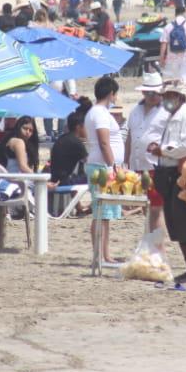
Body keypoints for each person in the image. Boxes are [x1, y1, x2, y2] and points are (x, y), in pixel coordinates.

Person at [148, 81, 186, 283]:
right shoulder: (173, 116)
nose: (166, 99)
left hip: (181, 174)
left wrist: (163, 150)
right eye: (165, 96)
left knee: (185, 221)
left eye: (170, 96)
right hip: (168, 173)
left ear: (180, 97)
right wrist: (160, 148)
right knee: (175, 222)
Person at [84, 75, 125, 265]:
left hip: (100, 165)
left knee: (105, 213)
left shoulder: (96, 112)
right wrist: (112, 166)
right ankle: (99, 255)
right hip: (102, 167)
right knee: (101, 212)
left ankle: (104, 254)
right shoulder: (100, 113)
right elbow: (103, 142)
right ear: (111, 94)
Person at [123, 73, 166, 231]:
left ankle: (155, 239)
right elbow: (130, 136)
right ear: (143, 92)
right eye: (149, 92)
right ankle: (150, 236)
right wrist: (126, 160)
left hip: (156, 166)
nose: (153, 96)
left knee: (156, 206)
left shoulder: (166, 112)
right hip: (137, 164)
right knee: (144, 206)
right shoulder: (135, 110)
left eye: (155, 92)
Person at [159, 5, 186, 84]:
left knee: (175, 76)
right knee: (185, 76)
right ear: (184, 13)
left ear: (175, 14)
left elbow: (164, 44)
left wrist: (162, 58)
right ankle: (183, 90)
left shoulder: (168, 26)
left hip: (172, 54)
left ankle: (176, 92)